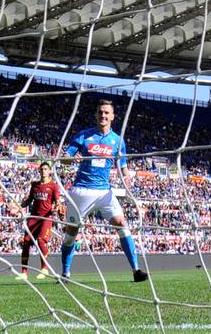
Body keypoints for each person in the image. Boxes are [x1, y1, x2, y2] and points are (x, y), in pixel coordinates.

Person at [60, 99, 148, 282]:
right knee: (71, 233)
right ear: (96, 114)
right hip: (82, 191)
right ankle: (66, 272)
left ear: (112, 117)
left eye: (107, 113)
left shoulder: (118, 141)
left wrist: (127, 181)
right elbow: (66, 157)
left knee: (121, 223)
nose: (103, 115)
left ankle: (136, 270)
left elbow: (122, 167)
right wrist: (69, 160)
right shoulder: (84, 136)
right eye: (100, 112)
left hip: (105, 192)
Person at [13, 162, 60, 281]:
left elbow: (57, 201)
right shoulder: (35, 185)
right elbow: (29, 200)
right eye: (41, 169)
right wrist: (18, 206)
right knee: (26, 242)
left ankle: (44, 268)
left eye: (45, 169)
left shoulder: (53, 186)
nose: (43, 171)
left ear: (49, 171)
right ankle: (24, 272)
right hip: (34, 217)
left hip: (46, 218)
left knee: (40, 240)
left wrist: (56, 207)